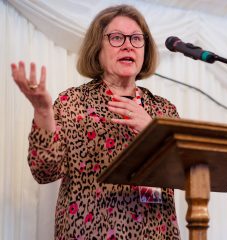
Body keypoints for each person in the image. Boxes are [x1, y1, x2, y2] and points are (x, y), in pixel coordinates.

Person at [11, 4, 181, 240]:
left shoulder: (164, 110)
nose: (128, 45)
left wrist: (153, 132)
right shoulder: (73, 102)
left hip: (155, 233)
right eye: (117, 38)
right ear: (97, 48)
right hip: (89, 232)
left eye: (135, 38)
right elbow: (44, 172)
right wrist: (43, 111)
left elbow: (185, 174)